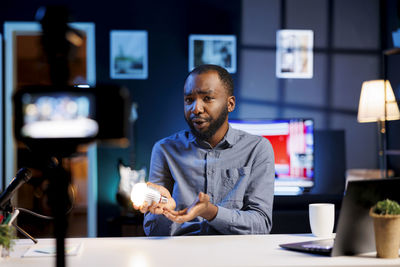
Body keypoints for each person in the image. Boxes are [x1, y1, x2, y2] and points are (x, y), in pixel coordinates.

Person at [134, 64, 275, 235]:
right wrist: (165, 211)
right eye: (189, 100)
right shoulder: (164, 150)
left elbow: (261, 225)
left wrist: (210, 212)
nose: (196, 108)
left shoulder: (257, 149)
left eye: (207, 98)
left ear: (230, 104)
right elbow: (154, 232)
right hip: (181, 257)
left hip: (235, 256)